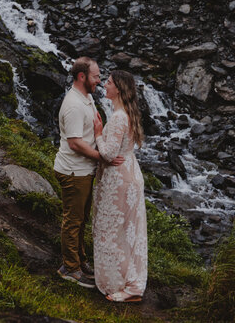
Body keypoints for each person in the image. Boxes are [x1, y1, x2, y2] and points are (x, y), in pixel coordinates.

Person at [54, 56, 122, 288]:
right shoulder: (73, 104)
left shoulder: (85, 97)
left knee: (81, 219)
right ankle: (70, 268)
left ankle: (79, 261)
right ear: (82, 76)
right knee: (73, 221)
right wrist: (103, 158)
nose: (100, 81)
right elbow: (75, 143)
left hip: (83, 170)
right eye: (96, 77)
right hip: (74, 171)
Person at [92, 70, 148, 303]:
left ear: (119, 89)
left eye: (109, 82)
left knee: (114, 233)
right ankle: (131, 282)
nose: (105, 84)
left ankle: (125, 286)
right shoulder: (128, 113)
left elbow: (108, 153)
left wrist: (97, 134)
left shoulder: (117, 118)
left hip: (118, 182)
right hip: (131, 175)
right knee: (128, 234)